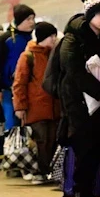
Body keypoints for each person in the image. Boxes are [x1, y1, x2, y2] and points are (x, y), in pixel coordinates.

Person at [59, 0, 100, 197]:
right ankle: (80, 194)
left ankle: (88, 193)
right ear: (90, 16)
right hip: (78, 100)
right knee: (84, 144)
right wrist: (99, 91)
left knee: (96, 144)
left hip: (99, 100)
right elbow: (72, 71)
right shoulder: (73, 38)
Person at [12, 22, 60, 185]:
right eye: (51, 36)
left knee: (53, 139)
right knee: (39, 140)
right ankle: (38, 171)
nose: (54, 39)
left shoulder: (54, 54)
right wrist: (20, 106)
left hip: (54, 107)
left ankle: (49, 171)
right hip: (35, 107)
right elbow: (19, 83)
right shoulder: (28, 56)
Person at [0, 4, 36, 132]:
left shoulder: (33, 39)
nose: (32, 22)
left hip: (29, 88)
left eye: (33, 18)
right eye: (28, 19)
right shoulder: (5, 39)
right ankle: (11, 149)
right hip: (9, 89)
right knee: (12, 124)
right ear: (19, 20)